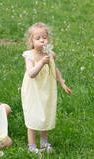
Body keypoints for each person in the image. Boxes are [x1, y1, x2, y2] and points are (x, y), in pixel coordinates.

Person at [21, 22, 72, 153]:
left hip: (46, 89)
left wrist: (62, 83)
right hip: (33, 91)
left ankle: (44, 143)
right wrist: (41, 63)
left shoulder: (50, 54)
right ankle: (32, 147)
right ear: (31, 41)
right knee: (33, 116)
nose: (42, 40)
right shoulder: (29, 55)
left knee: (45, 113)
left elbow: (55, 69)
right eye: (38, 38)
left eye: (44, 37)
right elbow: (31, 73)